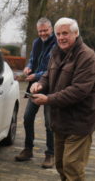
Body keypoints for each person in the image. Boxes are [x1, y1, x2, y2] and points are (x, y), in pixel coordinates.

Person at [30, 17, 95, 181]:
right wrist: (40, 84)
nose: (61, 37)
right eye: (59, 34)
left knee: (72, 169)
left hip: (79, 123)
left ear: (76, 33)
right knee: (61, 166)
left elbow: (78, 90)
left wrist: (48, 100)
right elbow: (48, 74)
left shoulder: (87, 57)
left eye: (65, 33)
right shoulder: (56, 52)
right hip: (60, 121)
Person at [15, 17, 56, 168]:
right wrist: (28, 67)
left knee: (49, 122)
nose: (43, 33)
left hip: (51, 87)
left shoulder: (57, 43)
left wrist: (37, 76)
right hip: (34, 87)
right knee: (27, 117)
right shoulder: (36, 42)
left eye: (45, 30)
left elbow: (54, 68)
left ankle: (50, 154)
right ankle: (28, 149)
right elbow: (32, 60)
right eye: (40, 31)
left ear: (51, 29)